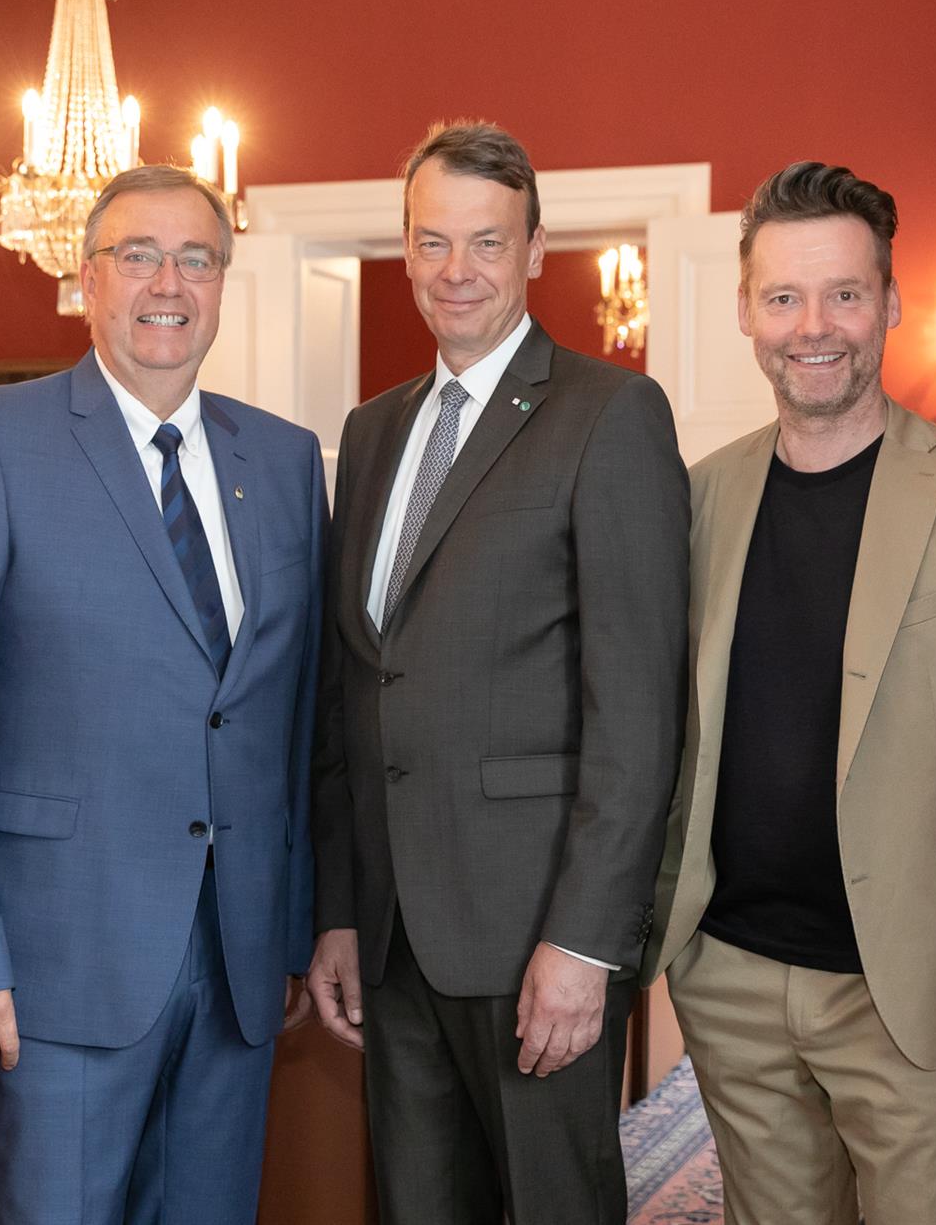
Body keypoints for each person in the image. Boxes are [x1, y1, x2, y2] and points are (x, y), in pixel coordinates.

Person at [0, 164, 325, 1225]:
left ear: (222, 283)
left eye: (196, 259)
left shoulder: (285, 458)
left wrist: (295, 930)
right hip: (59, 964)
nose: (168, 282)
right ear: (87, 279)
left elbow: (300, 719)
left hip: (238, 963)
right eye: (139, 256)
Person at [643, 161, 936, 1225]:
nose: (813, 326)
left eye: (843, 293)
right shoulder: (700, 496)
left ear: (891, 301)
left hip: (915, 994)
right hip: (732, 978)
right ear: (747, 311)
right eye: (783, 297)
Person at [305, 121, 689, 1224]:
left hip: (536, 940)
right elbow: (351, 692)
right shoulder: (371, 433)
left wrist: (585, 941)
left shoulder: (609, 414)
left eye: (487, 241)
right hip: (394, 944)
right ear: (406, 250)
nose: (457, 269)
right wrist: (341, 911)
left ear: (534, 251)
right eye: (433, 241)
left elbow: (638, 714)